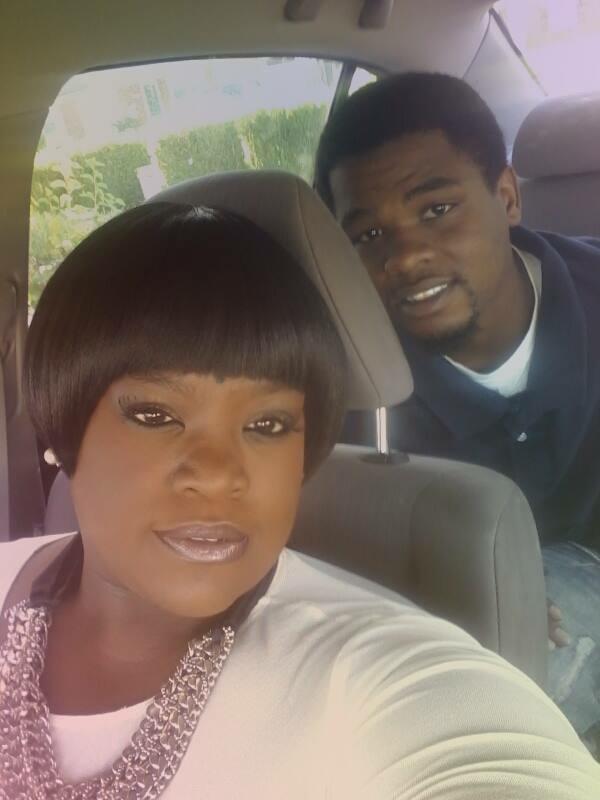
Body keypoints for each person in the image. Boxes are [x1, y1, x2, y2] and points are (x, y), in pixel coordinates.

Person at [1, 203, 598, 799]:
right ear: (64, 424)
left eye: (268, 425)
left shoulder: (371, 674)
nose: (219, 476)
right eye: (156, 415)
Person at [314, 71, 600, 756]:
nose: (405, 256)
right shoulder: (352, 384)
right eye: (368, 234)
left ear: (507, 197)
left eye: (437, 209)